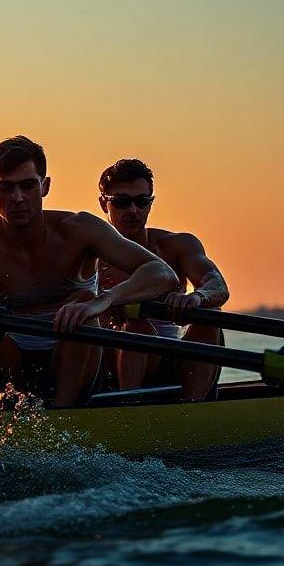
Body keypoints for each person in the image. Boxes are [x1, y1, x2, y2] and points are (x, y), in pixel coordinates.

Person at [0, 136, 179, 407]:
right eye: (6, 188)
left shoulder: (80, 229)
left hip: (73, 358)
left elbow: (161, 273)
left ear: (45, 186)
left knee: (83, 306)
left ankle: (64, 417)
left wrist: (104, 300)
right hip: (10, 363)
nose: (17, 198)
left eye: (28, 186)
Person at [97, 158, 230, 401]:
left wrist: (199, 297)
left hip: (175, 364)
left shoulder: (177, 246)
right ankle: (128, 409)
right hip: (110, 367)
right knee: (136, 325)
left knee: (210, 317)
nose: (133, 210)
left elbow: (217, 284)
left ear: (151, 203)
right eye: (122, 202)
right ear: (104, 204)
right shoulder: (91, 257)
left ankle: (194, 413)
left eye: (142, 201)